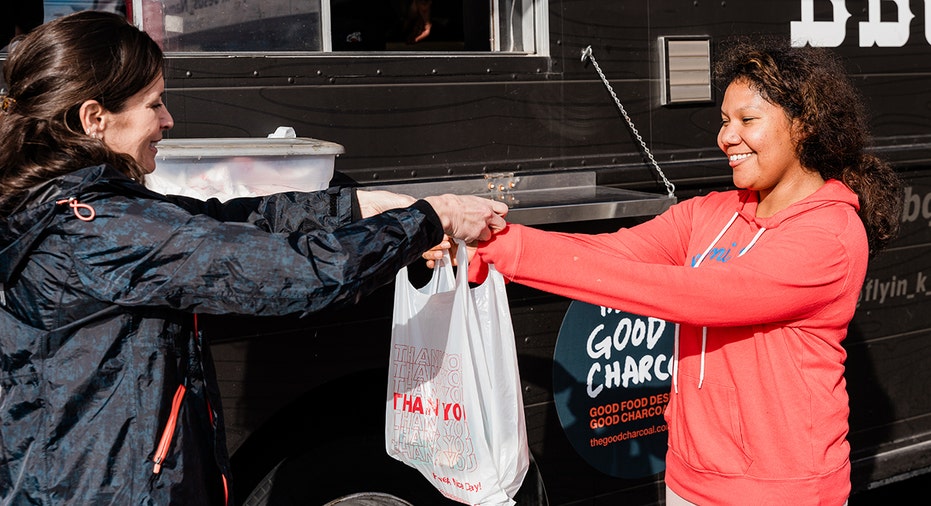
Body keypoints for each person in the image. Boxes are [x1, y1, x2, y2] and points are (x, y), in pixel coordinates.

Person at [0, 11, 506, 505]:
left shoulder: (64, 203)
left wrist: (356, 205)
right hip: (113, 486)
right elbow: (301, 273)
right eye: (153, 104)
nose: (167, 120)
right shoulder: (102, 226)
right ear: (95, 118)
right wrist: (432, 219)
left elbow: (223, 223)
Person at [459, 38, 903, 504]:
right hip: (690, 480)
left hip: (780, 490)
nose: (726, 137)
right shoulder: (712, 213)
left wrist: (504, 251)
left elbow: (702, 293)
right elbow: (616, 252)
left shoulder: (830, 236)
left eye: (748, 120)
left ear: (804, 125)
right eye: (724, 121)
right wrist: (484, 245)